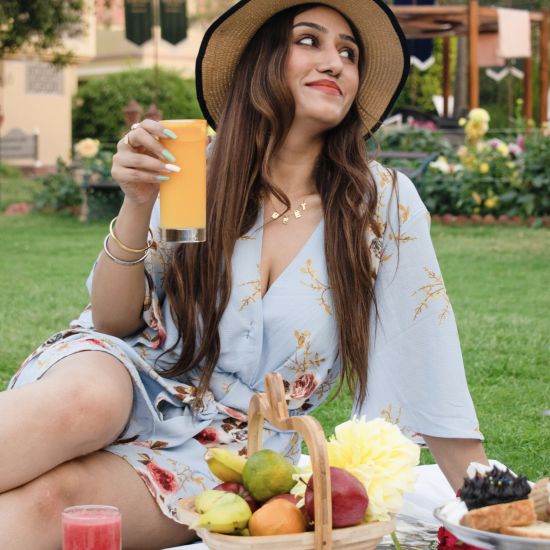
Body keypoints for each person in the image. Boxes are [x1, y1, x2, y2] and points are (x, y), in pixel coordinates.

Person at [0, 1, 489, 548]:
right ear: (262, 61)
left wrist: (498, 509)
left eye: (349, 53)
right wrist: (138, 204)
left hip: (234, 446)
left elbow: (431, 362)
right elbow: (116, 322)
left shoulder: (380, 206)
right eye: (310, 41)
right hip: (129, 370)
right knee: (84, 405)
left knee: (54, 505)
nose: (336, 63)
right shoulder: (198, 172)